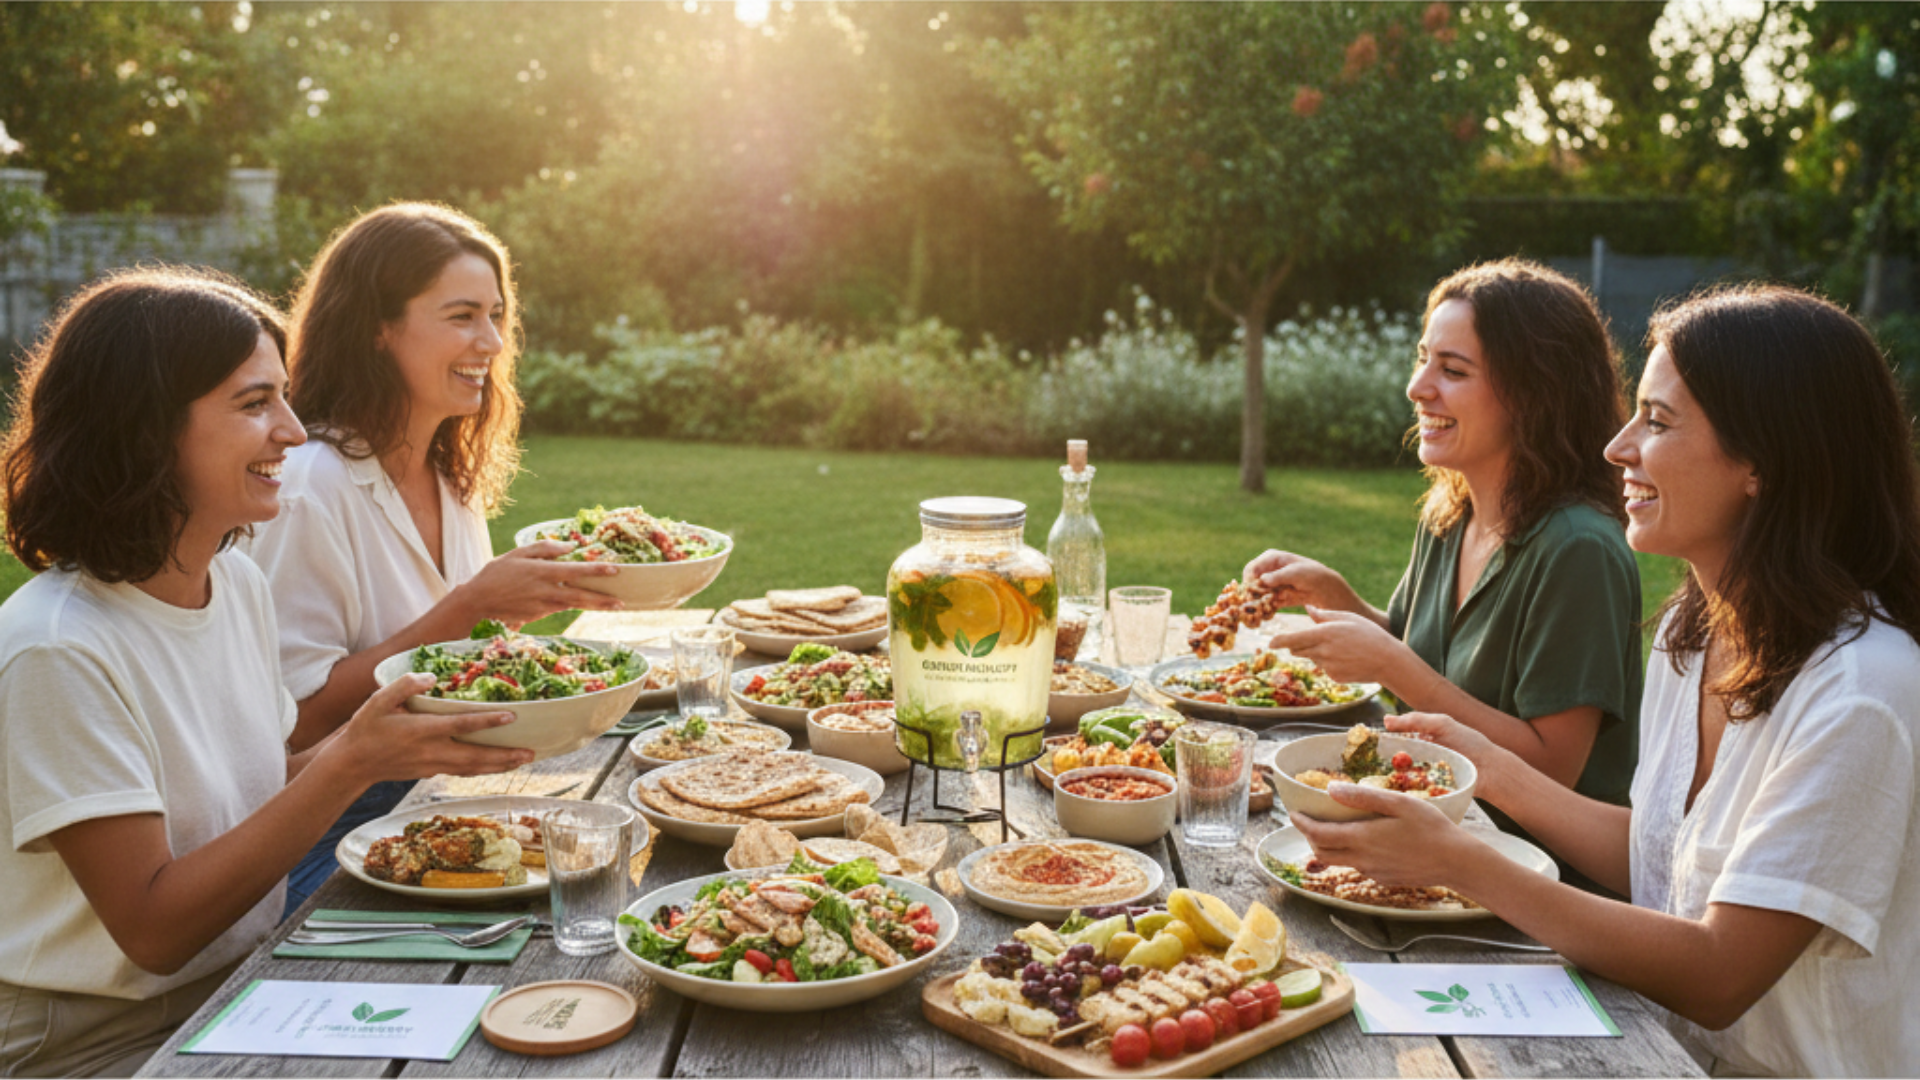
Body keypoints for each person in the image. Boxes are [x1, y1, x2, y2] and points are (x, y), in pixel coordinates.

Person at [1293, 285, 1920, 1077]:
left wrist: (1460, 860)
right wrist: (1490, 770)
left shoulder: (1863, 690)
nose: (1617, 447)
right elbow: (1660, 859)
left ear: (1763, 460)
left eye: (1657, 422)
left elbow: (1720, 972)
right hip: (1646, 1042)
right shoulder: (1692, 637)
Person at [0, 268, 533, 1078]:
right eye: (254, 405)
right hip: (95, 1040)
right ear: (144, 431)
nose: (291, 430)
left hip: (247, 984)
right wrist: (353, 761)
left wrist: (392, 742)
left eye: (283, 397)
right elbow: (154, 930)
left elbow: (252, 782)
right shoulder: (58, 648)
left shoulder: (234, 582)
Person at [246, 203, 621, 913]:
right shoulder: (308, 486)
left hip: (438, 802)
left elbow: (460, 672)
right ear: (379, 330)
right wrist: (471, 608)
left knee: (613, 862)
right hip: (326, 839)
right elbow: (290, 725)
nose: (492, 340)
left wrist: (526, 634)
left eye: (497, 315)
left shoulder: (450, 475)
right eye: (462, 316)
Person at [1245, 259, 1641, 822]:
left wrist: (1392, 667)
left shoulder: (1580, 550)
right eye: (1423, 359)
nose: (1417, 387)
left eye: (1452, 370)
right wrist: (1339, 600)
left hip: (1532, 871)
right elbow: (1422, 655)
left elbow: (1554, 770)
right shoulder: (1451, 512)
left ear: (1535, 395)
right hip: (1433, 824)